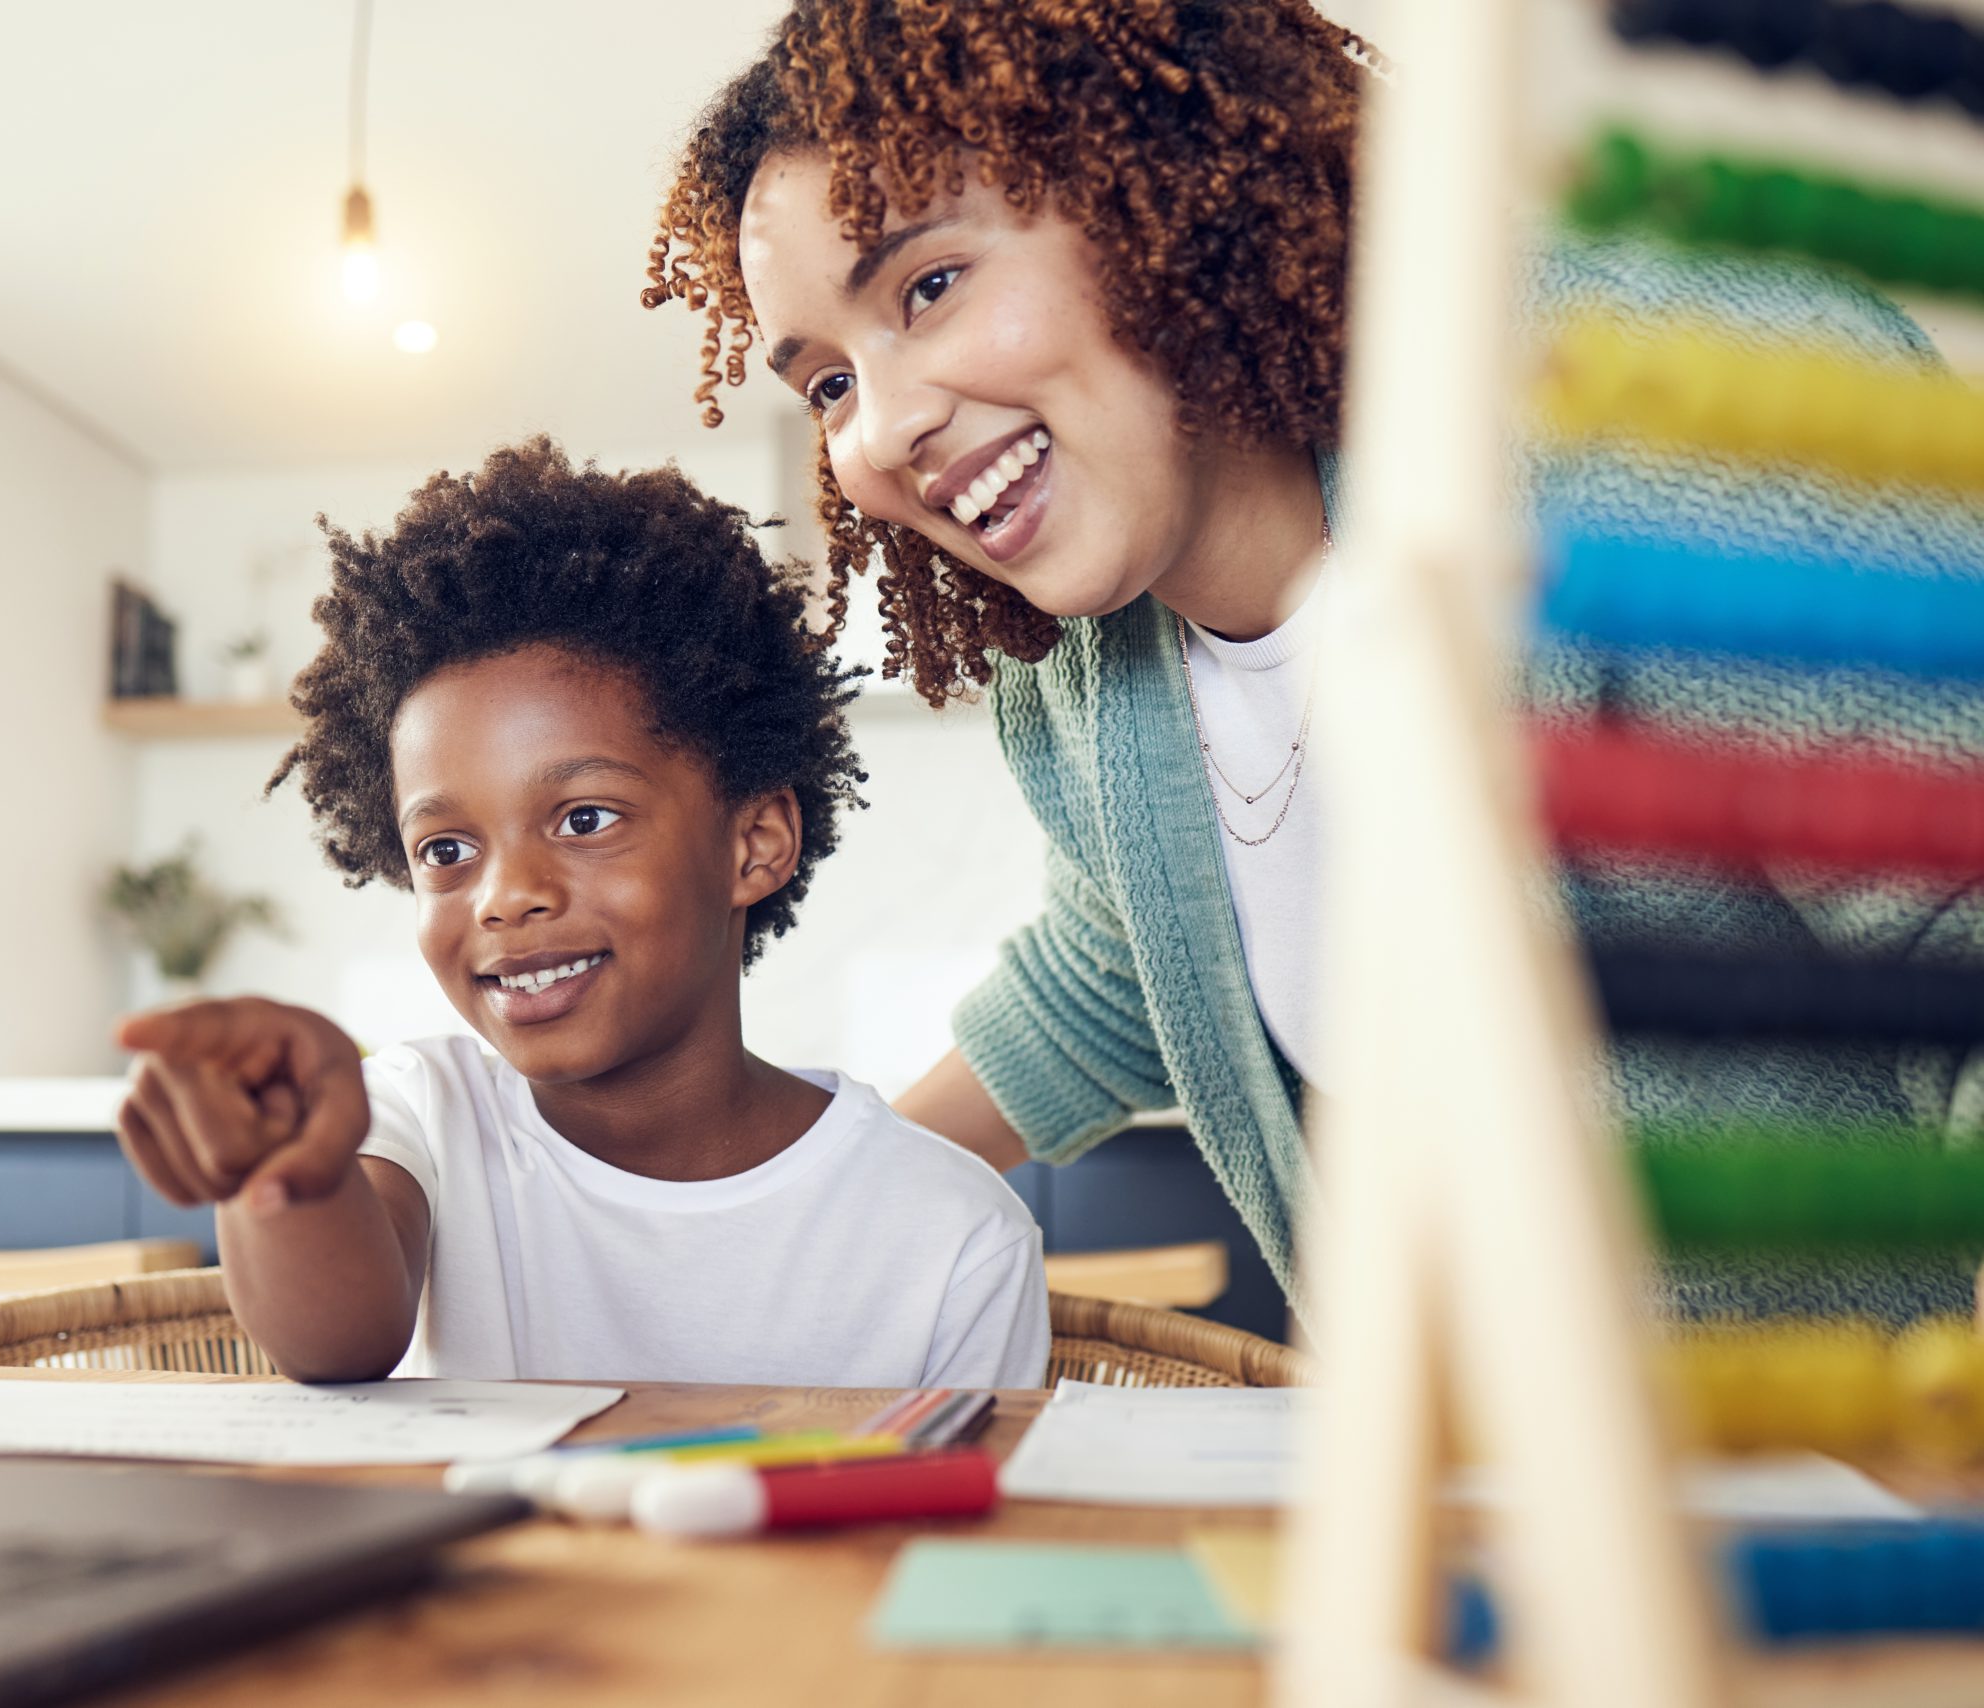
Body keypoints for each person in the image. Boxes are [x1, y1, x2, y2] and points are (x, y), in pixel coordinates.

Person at [643, 0, 1984, 1321]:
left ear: (1155, 182)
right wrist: (779, 1214)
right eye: (824, 384)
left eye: (928, 287)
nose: (881, 434)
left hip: (1858, 1493)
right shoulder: (1083, 692)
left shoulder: (1643, 422)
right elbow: (1120, 969)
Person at [112, 439, 1050, 1386]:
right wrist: (290, 1175)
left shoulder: (951, 1231)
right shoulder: (423, 1117)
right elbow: (337, 1339)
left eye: (585, 818)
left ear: (754, 844)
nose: (504, 894)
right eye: (446, 850)